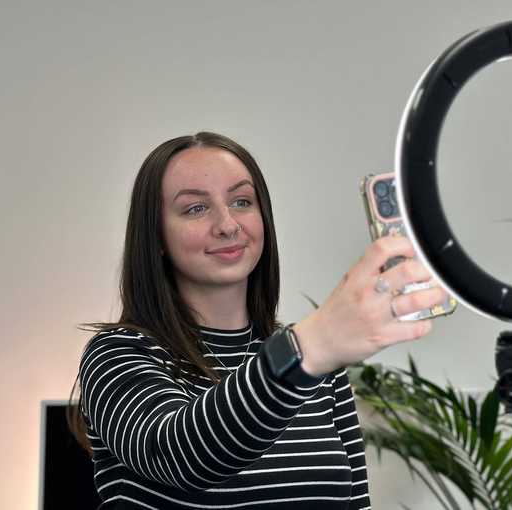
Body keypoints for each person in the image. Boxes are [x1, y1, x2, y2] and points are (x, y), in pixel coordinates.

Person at [69, 132, 449, 509]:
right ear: (156, 238)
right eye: (195, 209)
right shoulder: (117, 355)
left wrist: (308, 352)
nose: (228, 224)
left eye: (241, 201)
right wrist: (308, 348)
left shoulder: (317, 367)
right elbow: (180, 456)